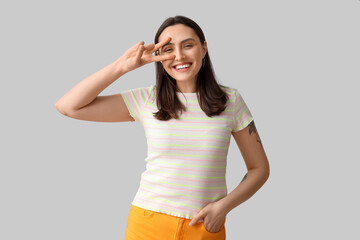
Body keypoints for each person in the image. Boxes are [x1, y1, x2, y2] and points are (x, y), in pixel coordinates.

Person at [55, 15, 270, 240]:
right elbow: (68, 106)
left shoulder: (231, 101)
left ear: (204, 49)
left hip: (204, 226)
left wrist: (224, 207)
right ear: (159, 56)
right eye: (168, 49)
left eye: (188, 45)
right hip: (147, 223)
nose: (179, 56)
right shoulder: (147, 99)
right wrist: (123, 66)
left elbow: (259, 168)